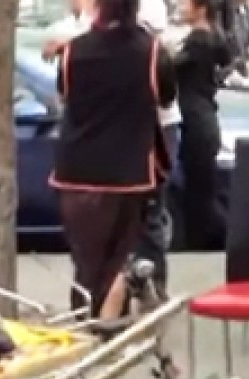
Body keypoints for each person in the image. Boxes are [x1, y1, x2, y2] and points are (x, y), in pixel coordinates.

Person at [50, 0, 177, 318]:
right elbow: (166, 96)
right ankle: (107, 329)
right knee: (117, 262)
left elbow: (65, 94)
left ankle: (87, 327)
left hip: (76, 173)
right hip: (127, 174)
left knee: (86, 263)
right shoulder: (151, 52)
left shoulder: (72, 52)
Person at [176, 0, 232, 250]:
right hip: (204, 118)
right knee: (203, 187)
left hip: (196, 121)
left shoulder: (198, 42)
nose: (179, 7)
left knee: (198, 192)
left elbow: (168, 67)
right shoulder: (212, 38)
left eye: (184, 3)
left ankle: (204, 240)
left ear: (200, 9)